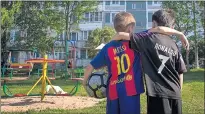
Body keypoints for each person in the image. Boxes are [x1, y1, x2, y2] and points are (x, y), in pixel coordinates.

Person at [112, 9, 188, 114]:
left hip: (158, 93)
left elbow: (120, 35)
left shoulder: (147, 38)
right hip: (176, 94)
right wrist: (178, 92)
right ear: (171, 27)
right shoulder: (174, 44)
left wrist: (111, 45)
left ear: (153, 23)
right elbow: (180, 71)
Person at [83, 12, 144, 114]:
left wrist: (85, 83)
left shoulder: (108, 47)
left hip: (113, 91)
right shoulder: (136, 44)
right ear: (130, 28)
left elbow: (90, 67)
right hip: (131, 91)